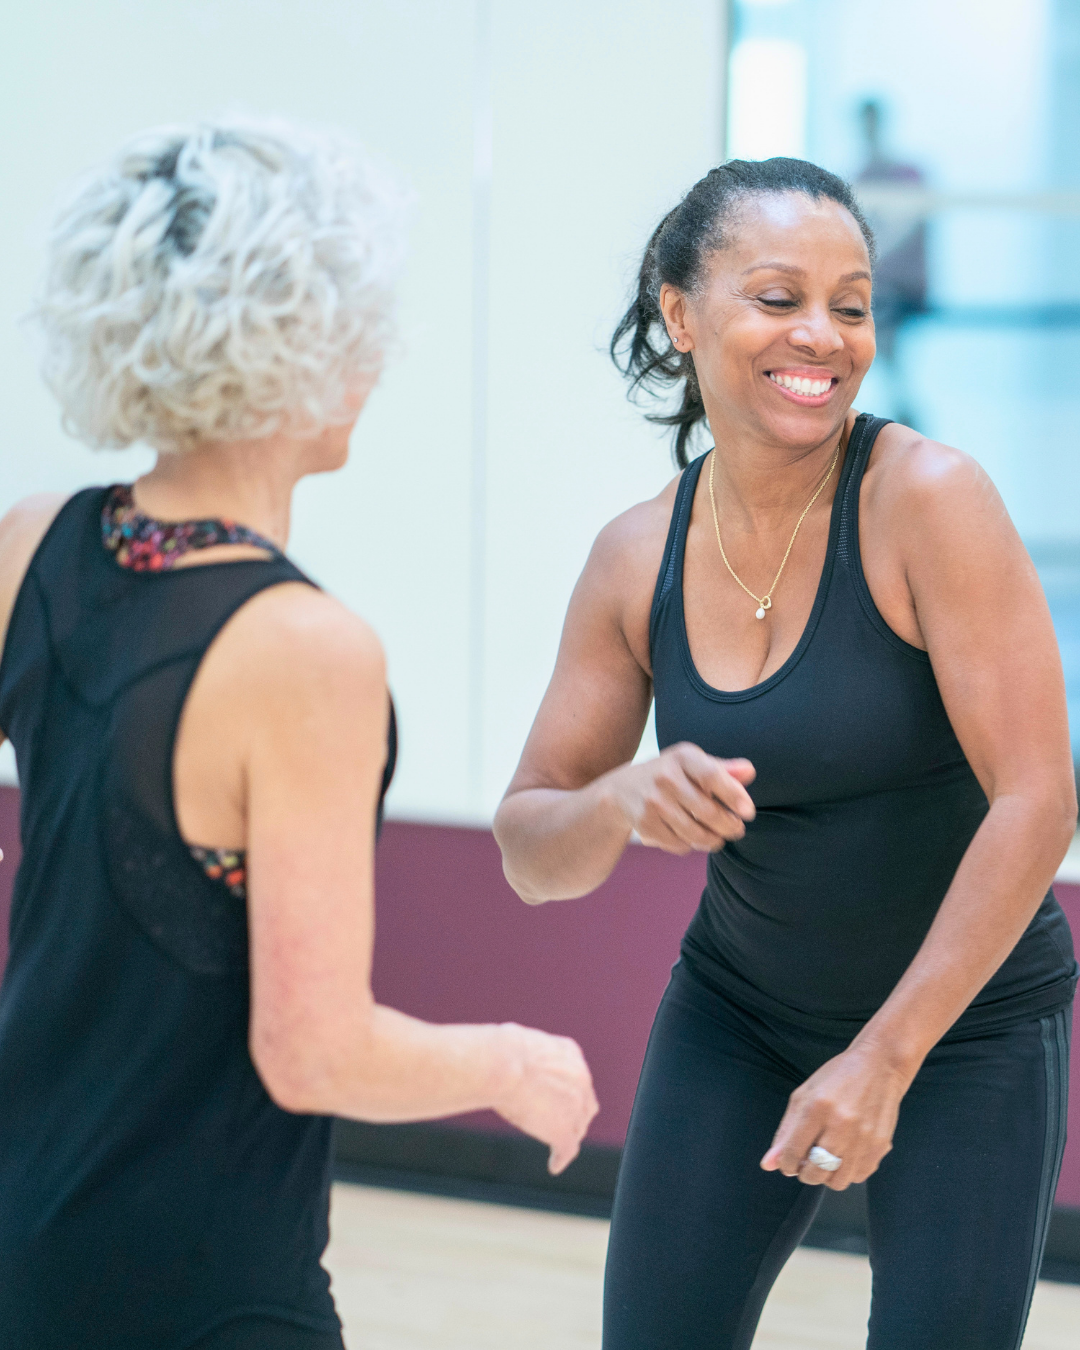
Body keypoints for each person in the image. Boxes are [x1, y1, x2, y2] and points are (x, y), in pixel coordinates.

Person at [0, 119, 597, 1350]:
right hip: (198, 1282)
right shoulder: (306, 650)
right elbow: (312, 1053)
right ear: (300, 347)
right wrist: (511, 1063)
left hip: (29, 1230)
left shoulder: (33, 544)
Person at [493, 157, 1076, 1349]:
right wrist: (619, 797)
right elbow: (532, 850)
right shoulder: (631, 558)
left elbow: (1040, 796)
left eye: (851, 304)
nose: (823, 335)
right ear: (680, 312)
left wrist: (884, 1057)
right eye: (777, 297)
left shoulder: (928, 500)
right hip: (741, 1014)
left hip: (962, 1031)